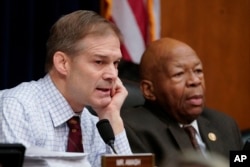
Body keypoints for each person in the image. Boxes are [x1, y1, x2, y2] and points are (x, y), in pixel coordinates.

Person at [0, 10, 132, 167]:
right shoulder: (17, 107)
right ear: (63, 63)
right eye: (99, 62)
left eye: (115, 63)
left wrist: (112, 116)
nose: (112, 75)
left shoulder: (95, 123)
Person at [121, 37, 243, 166]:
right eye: (179, 74)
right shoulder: (132, 130)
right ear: (149, 90)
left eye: (198, 71)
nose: (195, 81)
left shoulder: (224, 124)